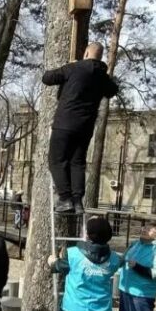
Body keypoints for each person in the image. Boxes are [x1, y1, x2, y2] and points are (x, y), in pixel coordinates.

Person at [42, 42, 118, 214]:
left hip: (65, 123)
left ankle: (65, 198)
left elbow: (47, 78)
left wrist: (68, 66)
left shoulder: (74, 68)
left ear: (86, 53)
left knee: (57, 160)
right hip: (85, 127)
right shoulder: (102, 76)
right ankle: (77, 201)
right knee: (77, 162)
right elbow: (113, 90)